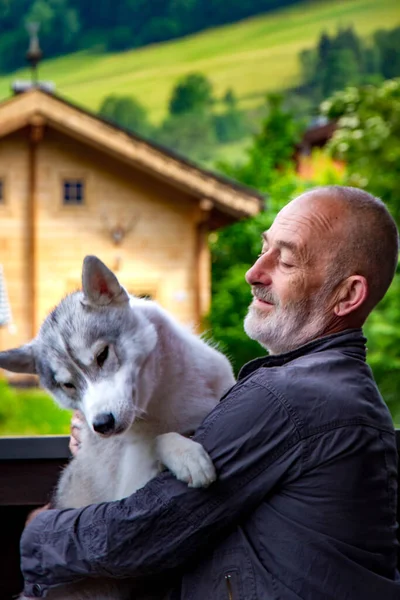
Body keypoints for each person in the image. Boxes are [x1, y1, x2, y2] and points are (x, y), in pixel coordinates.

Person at [21, 185, 400, 599]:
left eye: (286, 260)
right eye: (264, 248)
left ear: (348, 296)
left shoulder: (290, 399)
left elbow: (141, 532)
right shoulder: (337, 386)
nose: (253, 272)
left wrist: (37, 533)